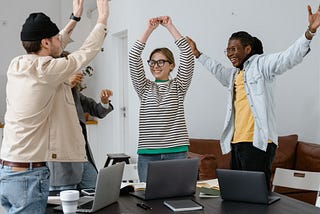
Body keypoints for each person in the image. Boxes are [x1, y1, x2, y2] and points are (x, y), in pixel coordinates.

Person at [185, 5, 320, 191]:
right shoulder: (234, 74)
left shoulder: (262, 65)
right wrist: (197, 54)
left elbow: (288, 57)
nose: (230, 53)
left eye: (234, 49)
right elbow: (217, 69)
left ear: (247, 49)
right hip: (238, 143)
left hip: (257, 143)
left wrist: (310, 31)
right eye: (227, 50)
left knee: (255, 194)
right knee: (238, 193)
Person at [0, 0, 109, 213]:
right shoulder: (46, 69)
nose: (61, 40)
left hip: (8, 171)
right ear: (45, 43)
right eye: (55, 38)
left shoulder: (17, 64)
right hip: (28, 177)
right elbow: (85, 52)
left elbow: (56, 44)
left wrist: (75, 19)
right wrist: (102, 19)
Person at [129, 16, 194, 182]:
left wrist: (170, 26)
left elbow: (187, 54)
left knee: (177, 196)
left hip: (176, 152)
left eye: (161, 62)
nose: (155, 66)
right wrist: (149, 29)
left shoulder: (178, 86)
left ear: (171, 65)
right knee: (149, 201)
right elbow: (133, 57)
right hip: (147, 155)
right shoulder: (144, 87)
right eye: (152, 62)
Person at [49, 66, 114, 191]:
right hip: (63, 162)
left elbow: (97, 110)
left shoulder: (76, 95)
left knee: (95, 192)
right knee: (66, 204)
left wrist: (104, 101)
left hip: (82, 157)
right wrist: (66, 85)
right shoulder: (49, 94)